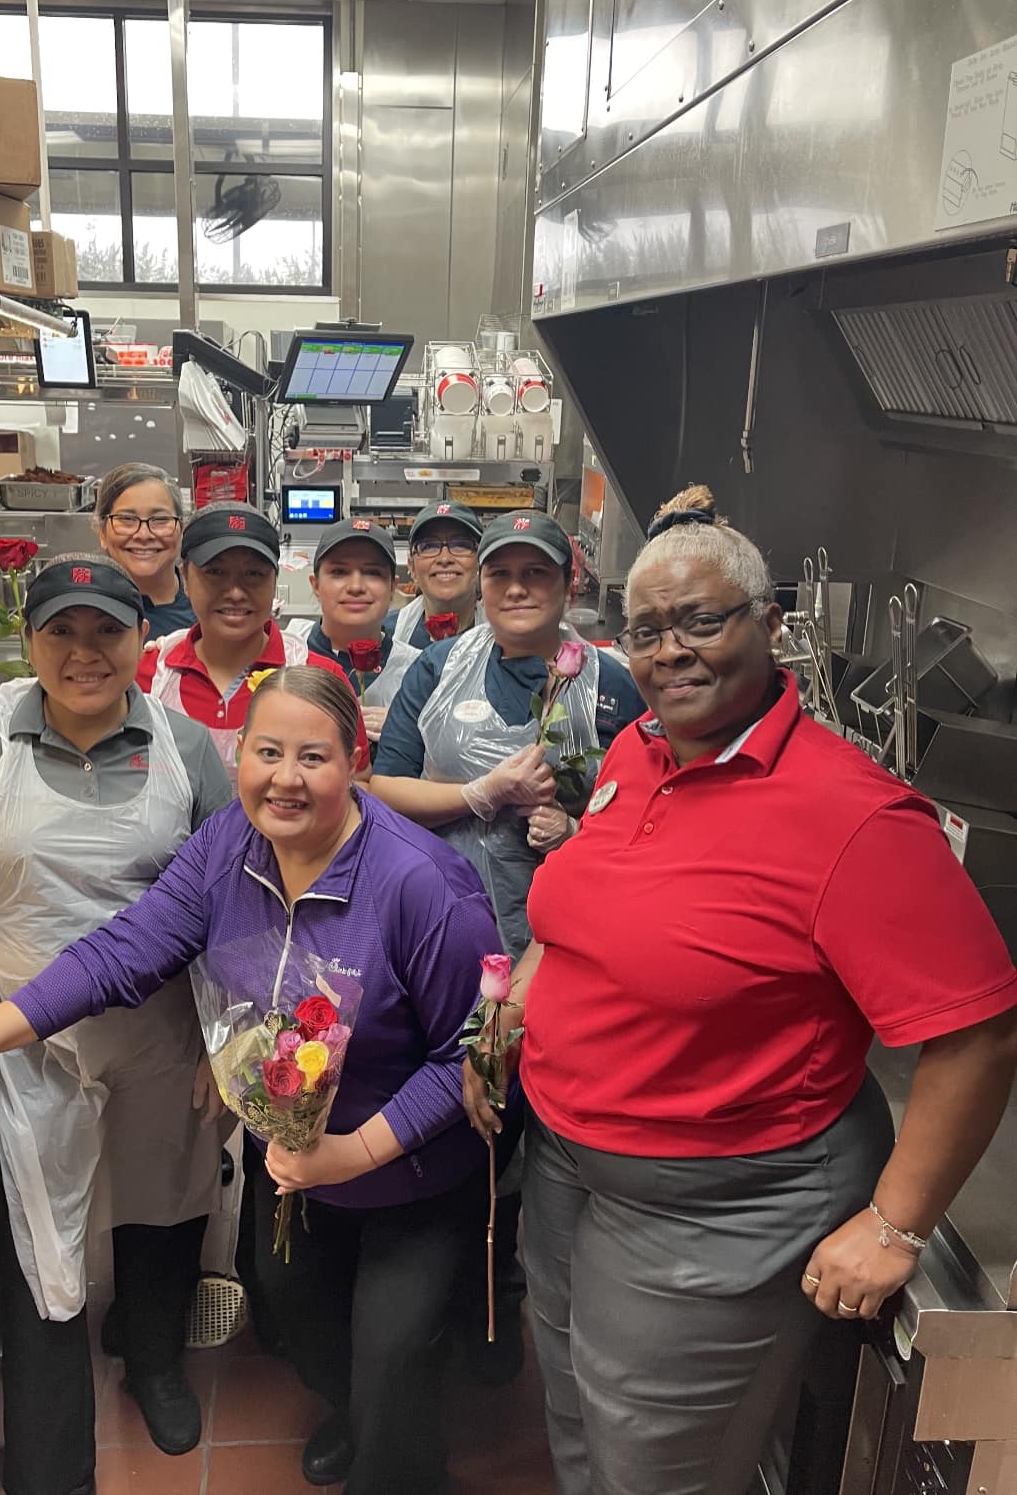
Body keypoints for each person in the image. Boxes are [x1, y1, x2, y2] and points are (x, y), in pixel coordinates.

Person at [462, 486, 1017, 1495]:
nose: (670, 649)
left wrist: (897, 1224)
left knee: (655, 1468)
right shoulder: (637, 753)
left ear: (769, 627)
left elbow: (976, 1036)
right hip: (568, 1165)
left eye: (701, 620)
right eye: (647, 630)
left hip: (713, 1207)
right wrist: (514, 1010)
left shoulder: (854, 819)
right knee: (578, 1417)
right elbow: (577, 917)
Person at [0, 666, 502, 1495]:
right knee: (297, 1318)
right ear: (241, 758)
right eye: (267, 752)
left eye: (314, 757)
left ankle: (393, 1448)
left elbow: (469, 1061)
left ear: (355, 760)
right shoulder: (229, 846)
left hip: (408, 1172)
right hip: (297, 1169)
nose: (285, 778)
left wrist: (352, 1152)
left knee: (395, 1359)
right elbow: (120, 954)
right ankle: (354, 1410)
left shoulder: (421, 884)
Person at [0, 552, 231, 1495]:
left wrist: (223, 1036)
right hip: (31, 1041)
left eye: (107, 632)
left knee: (165, 1202)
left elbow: (226, 900)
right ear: (30, 640)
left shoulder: (185, 745)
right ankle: (52, 1467)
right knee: (45, 1242)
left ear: (140, 638)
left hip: (163, 1025)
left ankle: (157, 1364)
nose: (86, 655)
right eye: (61, 633)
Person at [373, 508, 645, 958]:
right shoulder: (439, 669)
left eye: (536, 573)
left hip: (568, 934)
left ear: (568, 582)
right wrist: (480, 793)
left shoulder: (612, 688)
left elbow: (642, 820)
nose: (516, 588)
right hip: (441, 918)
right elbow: (383, 793)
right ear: (483, 583)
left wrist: (575, 830)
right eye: (500, 574)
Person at [147, 499, 369, 779]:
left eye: (254, 574)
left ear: (274, 580)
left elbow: (359, 786)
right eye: (215, 572)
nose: (236, 592)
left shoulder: (324, 678)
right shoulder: (149, 674)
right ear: (185, 577)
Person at [300, 515, 421, 743]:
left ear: (393, 586)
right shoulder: (288, 656)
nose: (356, 587)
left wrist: (411, 730)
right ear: (315, 585)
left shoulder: (417, 671)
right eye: (339, 572)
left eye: (373, 572)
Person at [95, 463, 196, 661]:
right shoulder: (83, 609)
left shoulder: (206, 607)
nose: (143, 534)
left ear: (181, 529)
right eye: (126, 519)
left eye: (159, 520)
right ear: (102, 532)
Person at [391, 500, 484, 648]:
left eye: (460, 544)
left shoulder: (507, 642)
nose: (445, 559)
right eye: (429, 546)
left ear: (480, 561)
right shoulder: (384, 638)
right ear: (411, 566)